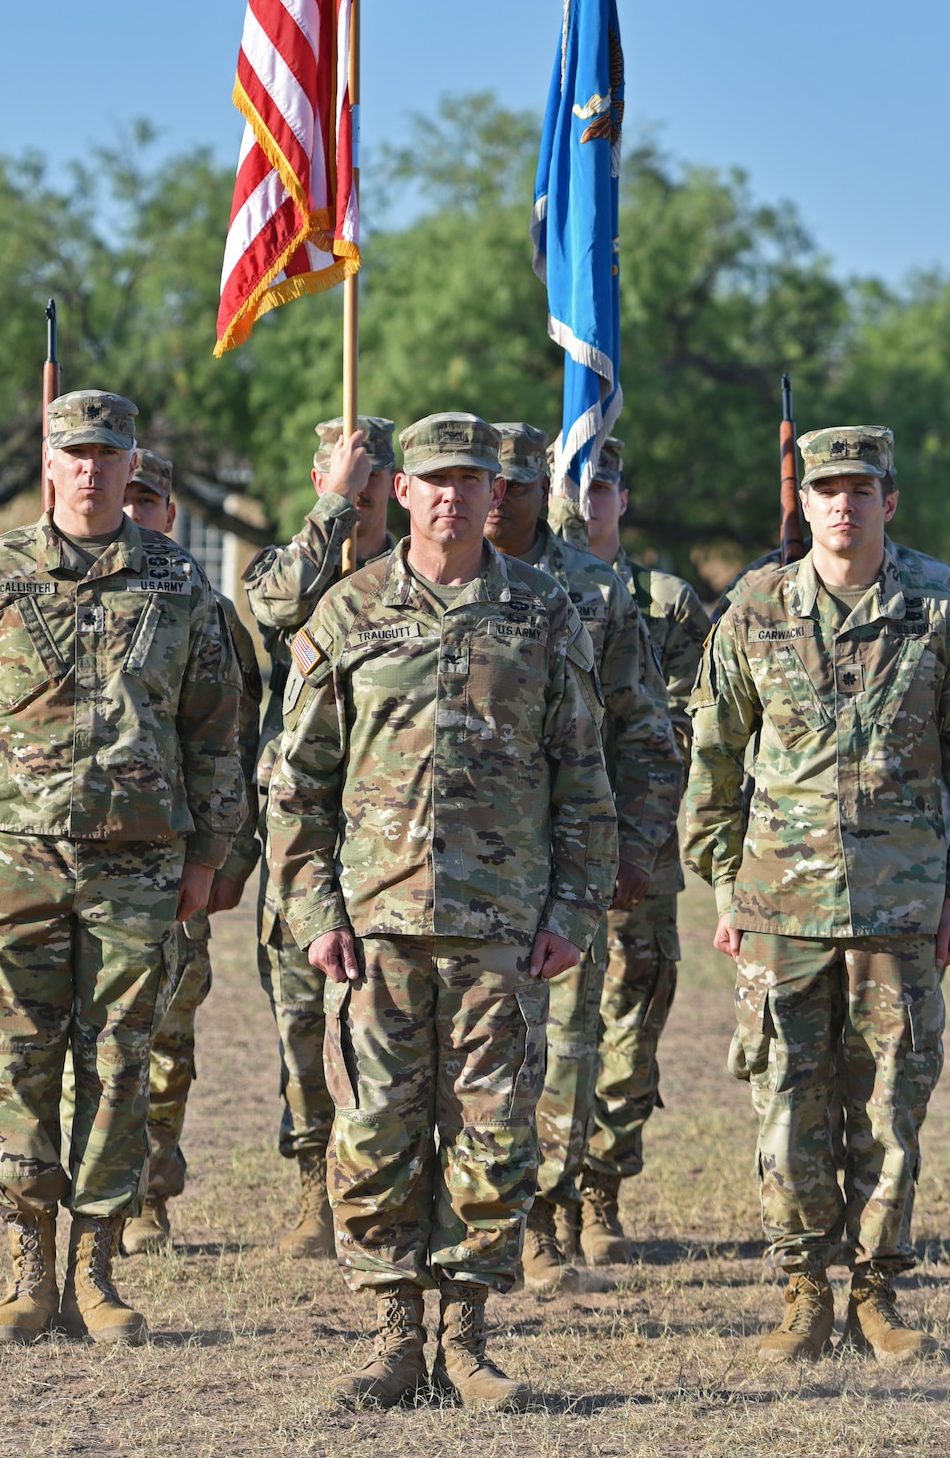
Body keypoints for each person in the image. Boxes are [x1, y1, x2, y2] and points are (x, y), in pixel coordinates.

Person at [269, 413, 617, 1410]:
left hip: (498, 925)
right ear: (405, 490)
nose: (459, 495)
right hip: (372, 925)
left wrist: (571, 909)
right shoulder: (348, 609)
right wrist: (313, 907)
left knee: (490, 1134)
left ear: (497, 493)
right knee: (374, 1132)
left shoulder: (545, 611)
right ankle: (390, 1339)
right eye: (436, 478)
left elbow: (582, 778)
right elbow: (297, 782)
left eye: (477, 479)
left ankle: (465, 1339)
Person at [0, 391, 244, 1346]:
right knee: (17, 1062)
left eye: (110, 452)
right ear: (49, 462)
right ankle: (28, 1269)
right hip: (13, 857)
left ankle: (97, 1270)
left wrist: (208, 856)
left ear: (131, 459)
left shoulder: (180, 582)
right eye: (76, 452)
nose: (94, 469)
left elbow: (215, 734)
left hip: (140, 867)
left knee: (119, 1063)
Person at [684, 424, 950, 1364]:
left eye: (860, 489)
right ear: (804, 501)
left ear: (888, 501)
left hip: (899, 907)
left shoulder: (938, 614)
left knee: (887, 1112)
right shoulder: (753, 610)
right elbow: (710, 757)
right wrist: (719, 884)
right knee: (784, 1103)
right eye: (825, 489)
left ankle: (874, 1296)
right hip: (778, 906)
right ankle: (801, 1295)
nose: (841, 504)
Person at [484, 424, 680, 1290]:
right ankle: (476, 1214)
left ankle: (548, 1217)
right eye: (479, 483)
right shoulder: (425, 583)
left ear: (541, 491)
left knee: (567, 1044)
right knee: (478, 1049)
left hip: (567, 857)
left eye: (513, 486)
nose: (493, 501)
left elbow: (644, 729)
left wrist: (635, 844)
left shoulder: (596, 590)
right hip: (455, 864)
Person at [242, 416, 397, 1258]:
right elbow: (271, 609)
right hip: (303, 831)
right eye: (348, 472)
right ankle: (313, 1180)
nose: (364, 487)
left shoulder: (418, 573)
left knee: (395, 1024)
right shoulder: (292, 566)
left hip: (396, 833)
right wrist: (332, 512)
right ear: (322, 478)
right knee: (302, 1019)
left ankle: (383, 1185)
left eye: (376, 473)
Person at [115, 449, 263, 1258]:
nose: (135, 514)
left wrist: (226, 859)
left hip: (173, 867)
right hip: (77, 863)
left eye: (149, 502)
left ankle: (148, 1194)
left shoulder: (207, 612)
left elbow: (233, 751)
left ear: (170, 515)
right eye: (124, 498)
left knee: (165, 1038)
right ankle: (84, 1188)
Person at [575, 436, 710, 1261]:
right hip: (546, 847)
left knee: (631, 1025)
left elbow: (705, 709)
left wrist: (636, 754)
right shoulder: (534, 590)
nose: (587, 503)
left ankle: (602, 1189)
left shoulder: (668, 603)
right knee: (550, 1025)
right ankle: (540, 1195)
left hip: (641, 849)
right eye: (576, 486)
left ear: (622, 500)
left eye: (602, 488)